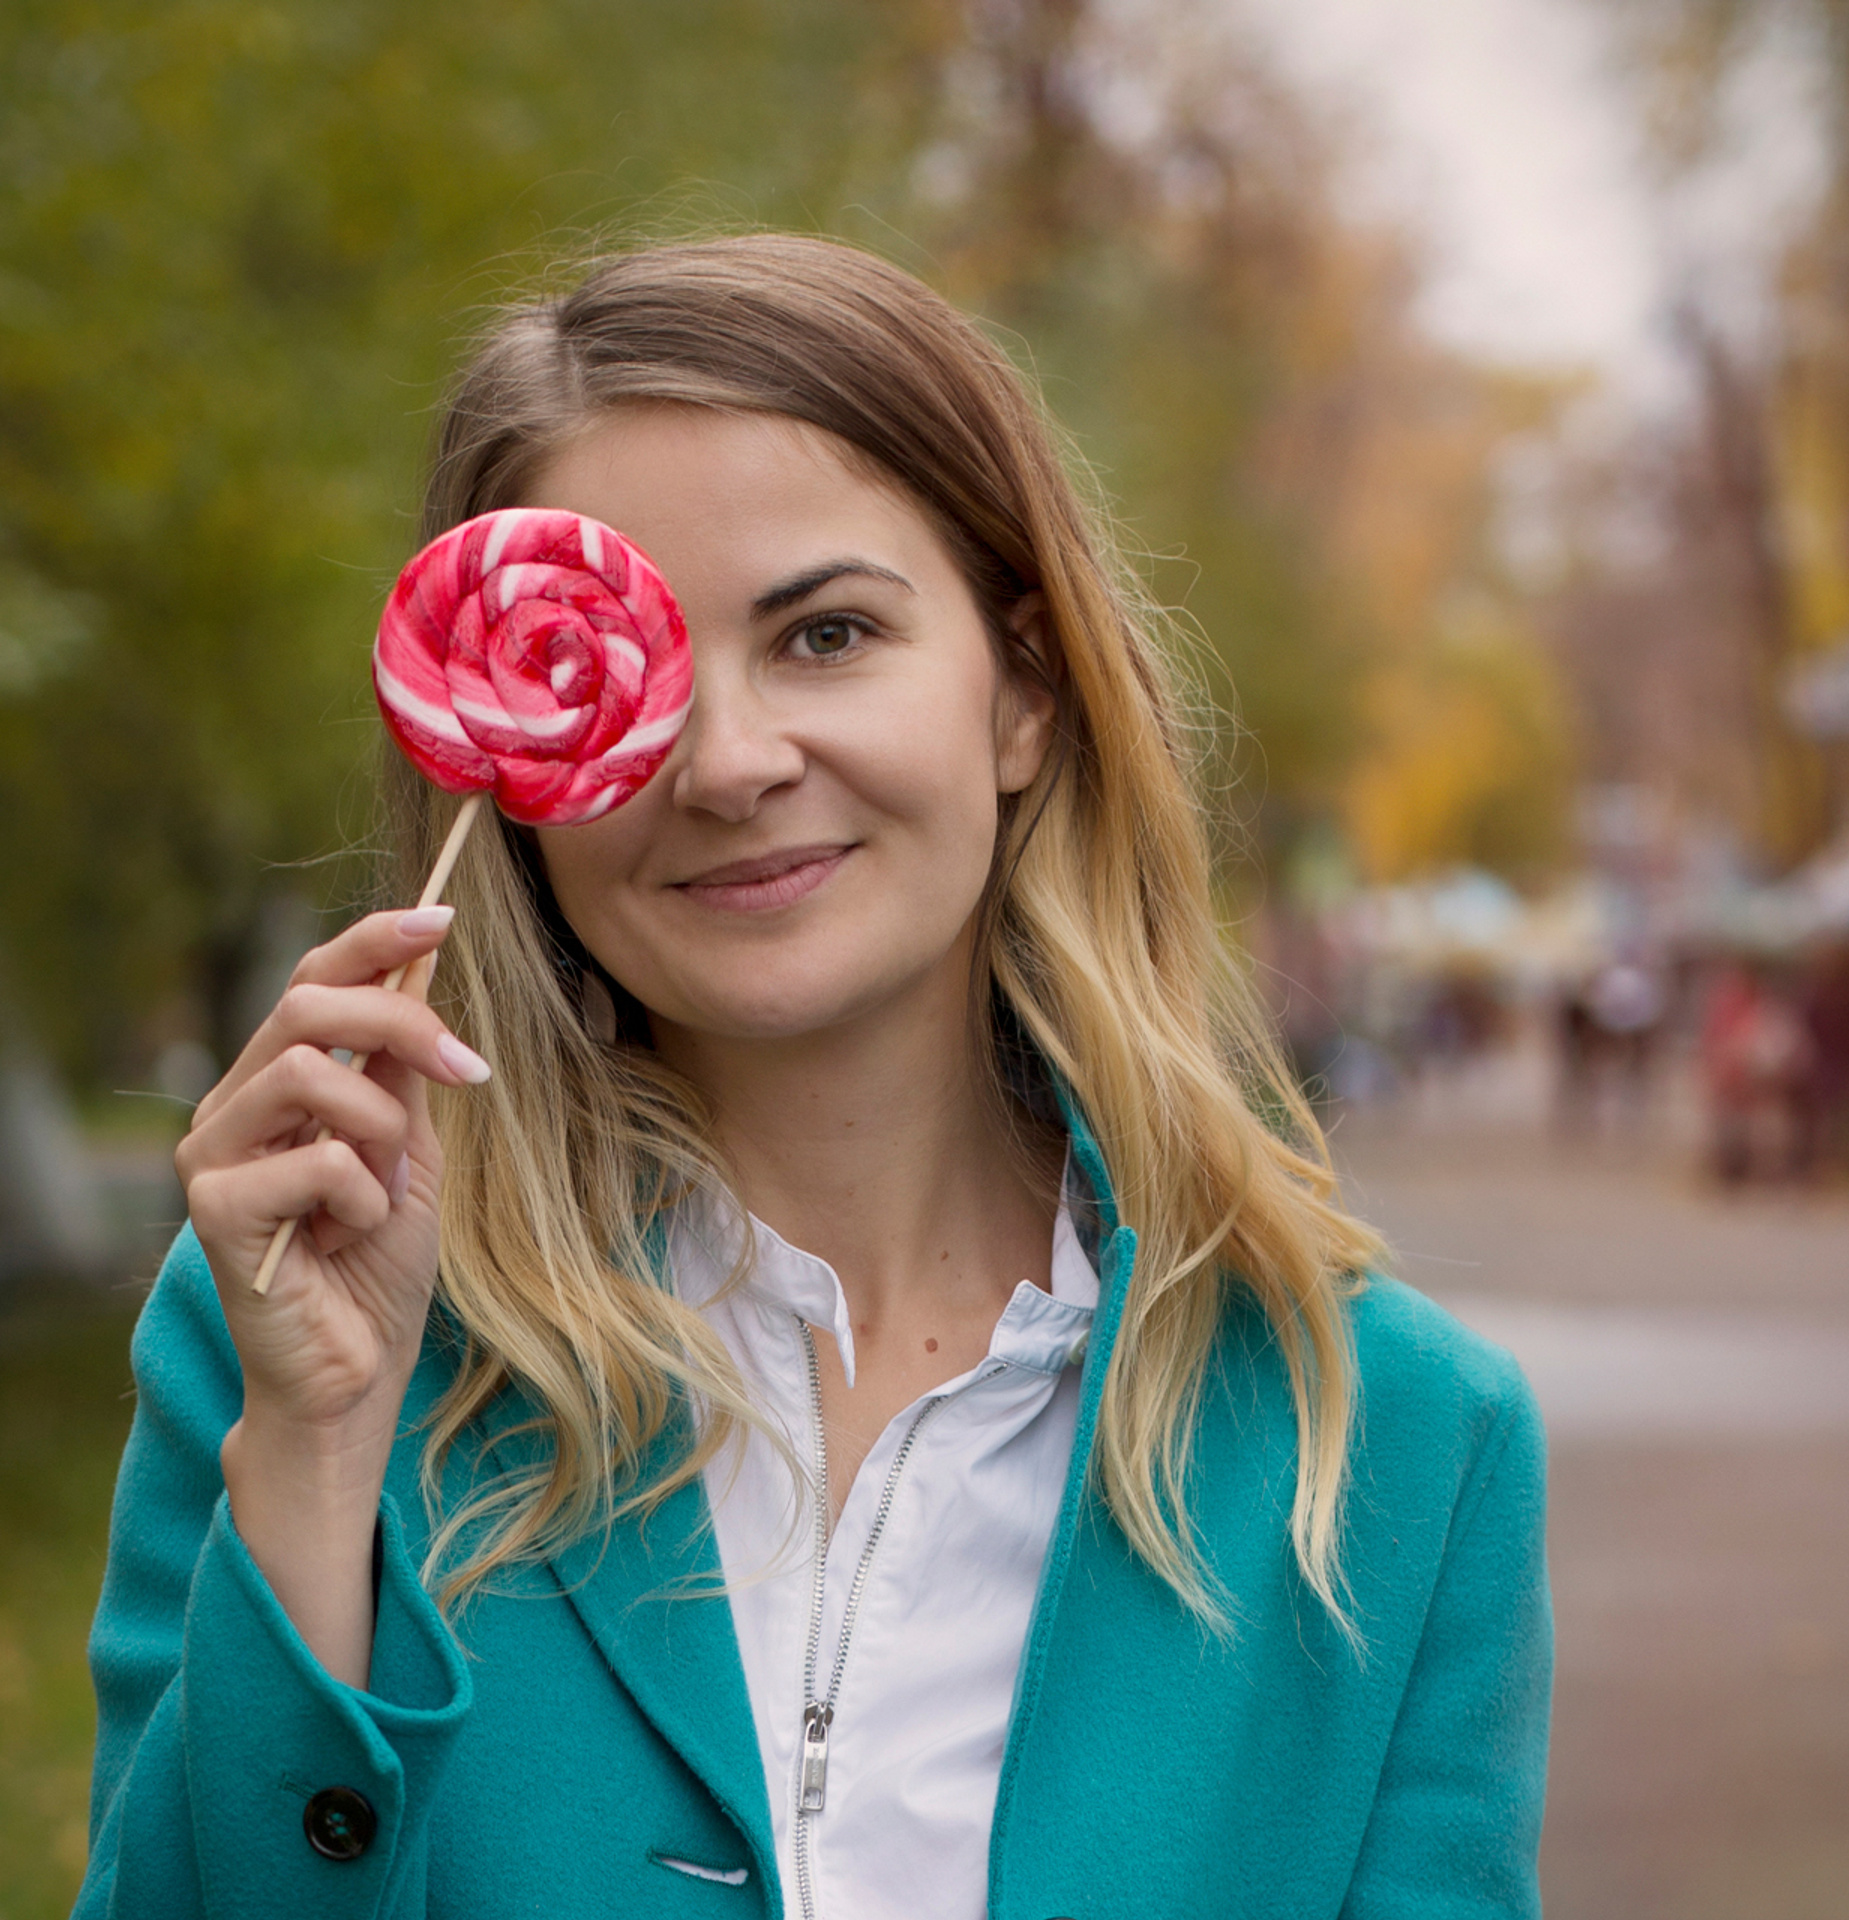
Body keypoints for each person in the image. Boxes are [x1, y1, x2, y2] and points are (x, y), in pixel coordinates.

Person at [77, 235, 1550, 1920]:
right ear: (501, 755)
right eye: (611, 671)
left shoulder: (1398, 1444)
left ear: (1023, 695)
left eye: (828, 634)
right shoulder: (293, 1334)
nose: (728, 762)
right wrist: (318, 1472)